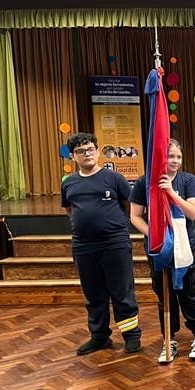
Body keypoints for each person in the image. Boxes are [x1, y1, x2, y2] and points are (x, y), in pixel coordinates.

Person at [61, 133, 142, 356]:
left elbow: (130, 206)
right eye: (80, 151)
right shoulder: (69, 183)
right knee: (93, 294)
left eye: (90, 149)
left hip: (114, 244)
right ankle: (99, 337)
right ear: (73, 157)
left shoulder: (114, 178)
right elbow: (69, 209)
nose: (86, 154)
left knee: (122, 292)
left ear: (97, 152)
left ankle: (131, 336)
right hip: (83, 246)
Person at [130, 139, 195, 362]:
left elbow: (192, 213)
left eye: (178, 157)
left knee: (188, 294)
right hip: (159, 249)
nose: (175, 161)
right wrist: (155, 236)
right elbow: (135, 216)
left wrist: (171, 192)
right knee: (165, 295)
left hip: (184, 247)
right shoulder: (144, 182)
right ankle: (169, 340)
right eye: (170, 156)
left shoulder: (188, 180)